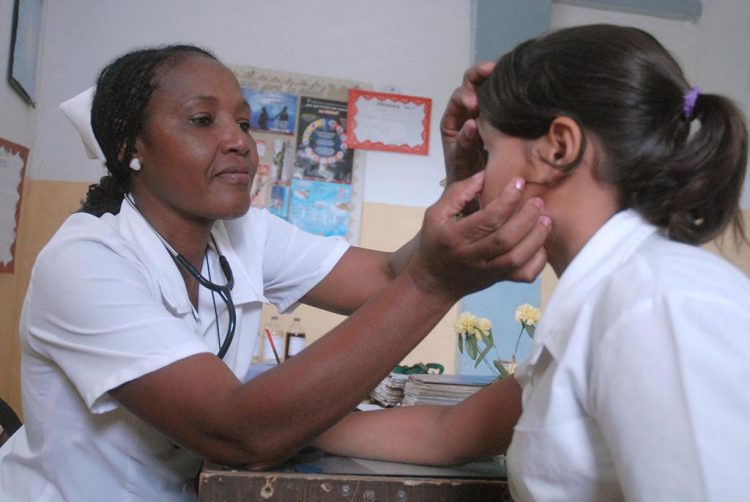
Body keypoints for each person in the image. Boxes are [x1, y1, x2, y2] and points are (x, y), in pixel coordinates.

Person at [0, 44, 551, 501]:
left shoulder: (243, 233)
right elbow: (238, 432)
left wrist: (464, 187)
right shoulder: (86, 260)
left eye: (243, 120)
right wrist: (437, 281)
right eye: (202, 120)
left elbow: (385, 278)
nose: (241, 139)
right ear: (128, 145)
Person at [313, 24, 750, 501]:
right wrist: (289, 424)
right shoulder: (603, 298)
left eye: (491, 150)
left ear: (556, 149)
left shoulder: (652, 305)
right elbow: (446, 430)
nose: (478, 177)